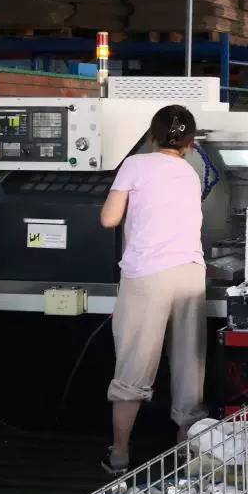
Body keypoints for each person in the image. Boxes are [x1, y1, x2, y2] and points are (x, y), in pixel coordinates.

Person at [99, 104, 207, 473]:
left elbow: (109, 218)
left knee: (135, 364)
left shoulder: (135, 164)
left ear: (151, 135)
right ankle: (189, 455)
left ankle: (119, 455)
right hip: (191, 274)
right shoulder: (191, 172)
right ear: (190, 142)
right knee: (188, 363)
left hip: (149, 276)